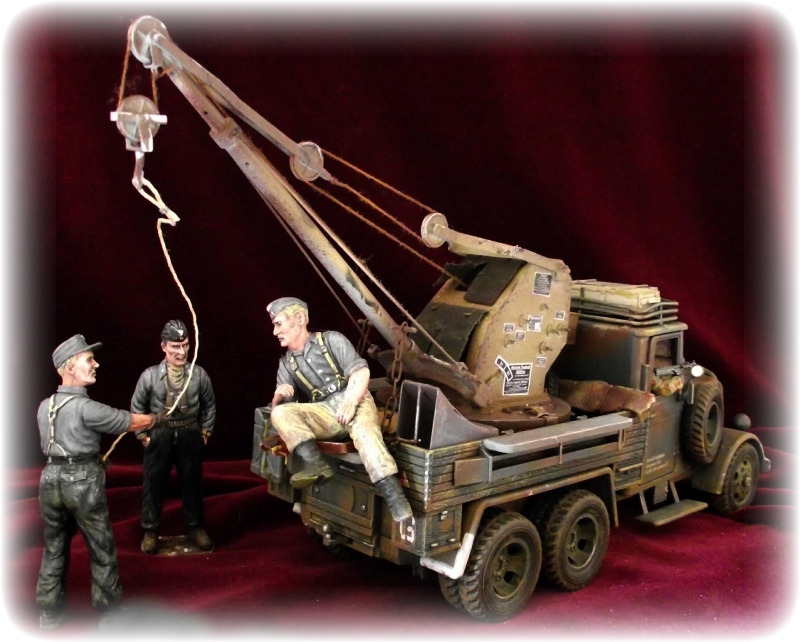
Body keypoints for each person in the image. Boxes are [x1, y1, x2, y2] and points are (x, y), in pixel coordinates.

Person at [36, 334, 158, 629]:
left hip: (49, 480)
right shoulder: (85, 408)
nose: (96, 364)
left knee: (54, 547)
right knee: (101, 548)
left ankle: (49, 613)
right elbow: (127, 421)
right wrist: (156, 419)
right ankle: (109, 613)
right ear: (70, 367)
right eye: (88, 360)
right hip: (82, 482)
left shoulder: (44, 406)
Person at [267, 297, 412, 522]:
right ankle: (316, 465)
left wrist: (351, 401)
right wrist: (278, 397)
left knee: (366, 434)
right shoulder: (287, 364)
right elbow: (282, 413)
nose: (275, 331)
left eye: (279, 324)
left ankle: (395, 498)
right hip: (325, 411)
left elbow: (360, 372)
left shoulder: (332, 340)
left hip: (355, 398)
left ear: (300, 319)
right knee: (280, 413)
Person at [131, 320, 216, 554]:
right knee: (153, 482)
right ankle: (150, 530)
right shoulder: (150, 376)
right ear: (163, 347)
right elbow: (137, 406)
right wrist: (143, 435)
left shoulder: (198, 375)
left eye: (185, 345)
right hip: (160, 434)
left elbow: (209, 405)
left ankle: (195, 527)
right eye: (175, 347)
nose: (181, 352)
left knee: (192, 482)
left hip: (189, 432)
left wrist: (205, 433)